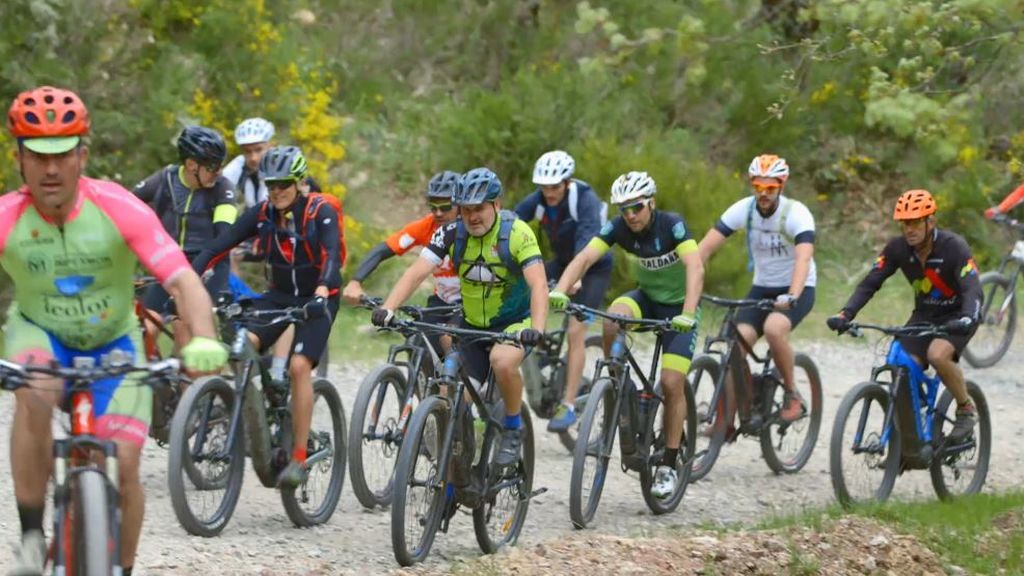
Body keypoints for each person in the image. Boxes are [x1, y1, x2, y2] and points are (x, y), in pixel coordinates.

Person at [2, 86, 226, 576]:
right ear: (18, 157)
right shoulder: (8, 217)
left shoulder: (118, 206)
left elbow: (182, 279)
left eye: (63, 154)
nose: (52, 169)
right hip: (40, 334)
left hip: (114, 343)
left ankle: (118, 568)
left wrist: (205, 335)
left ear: (83, 154)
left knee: (125, 464)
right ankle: (32, 538)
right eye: (38, 156)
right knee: (35, 388)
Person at [371, 167, 548, 467]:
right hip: (472, 326)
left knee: (502, 361)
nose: (472, 216)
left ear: (497, 205)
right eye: (466, 210)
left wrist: (537, 329)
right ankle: (456, 465)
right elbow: (416, 272)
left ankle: (513, 428)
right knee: (450, 392)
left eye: (479, 208)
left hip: (514, 324)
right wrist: (389, 308)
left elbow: (539, 285)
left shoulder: (518, 234)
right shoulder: (453, 232)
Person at [191, 145, 341, 488]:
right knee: (243, 345)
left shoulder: (320, 212)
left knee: (300, 366)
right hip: (279, 296)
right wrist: (188, 275)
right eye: (270, 185)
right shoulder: (262, 214)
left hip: (318, 297)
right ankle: (266, 404)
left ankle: (300, 458)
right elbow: (220, 246)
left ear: (299, 183)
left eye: (283, 185)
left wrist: (321, 292)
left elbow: (332, 256)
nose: (276, 192)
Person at [549, 171, 704, 499]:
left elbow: (695, 266)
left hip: (679, 309)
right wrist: (562, 289)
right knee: (611, 321)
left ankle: (668, 463)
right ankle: (619, 385)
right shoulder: (619, 227)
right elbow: (586, 256)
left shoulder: (672, 225)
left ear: (651, 203)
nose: (630, 215)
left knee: (673, 383)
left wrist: (688, 312)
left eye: (636, 207)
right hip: (646, 300)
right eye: (624, 209)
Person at [826, 189, 981, 440]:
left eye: (916, 222)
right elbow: (871, 282)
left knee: (937, 354)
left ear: (930, 222)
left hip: (958, 315)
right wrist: (846, 313)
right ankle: (910, 429)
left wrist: (967, 317)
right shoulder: (898, 248)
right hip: (924, 315)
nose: (909, 229)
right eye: (905, 223)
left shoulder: (954, 247)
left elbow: (972, 287)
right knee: (899, 361)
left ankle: (965, 408)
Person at [697, 154, 815, 425]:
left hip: (797, 287)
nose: (763, 194)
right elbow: (704, 249)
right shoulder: (744, 210)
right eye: (758, 187)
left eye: (770, 188)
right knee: (733, 344)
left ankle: (792, 394)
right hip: (761, 288)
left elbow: (803, 259)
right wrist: (687, 284)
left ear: (781, 186)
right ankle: (732, 415)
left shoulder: (796, 214)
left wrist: (793, 295)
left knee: (774, 329)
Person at [514, 150, 612, 433]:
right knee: (523, 294)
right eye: (544, 187)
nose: (549, 192)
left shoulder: (585, 200)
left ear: (567, 182)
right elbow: (511, 222)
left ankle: (568, 404)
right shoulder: (540, 200)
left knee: (575, 330)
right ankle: (541, 341)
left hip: (592, 267)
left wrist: (572, 281)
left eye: (555, 186)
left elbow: (586, 246)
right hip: (562, 260)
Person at [132, 125, 236, 351]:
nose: (219, 172)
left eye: (220, 166)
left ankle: (204, 382)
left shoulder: (222, 188)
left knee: (184, 332)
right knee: (144, 329)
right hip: (170, 263)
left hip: (210, 264)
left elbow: (224, 236)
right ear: (191, 165)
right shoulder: (165, 179)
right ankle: (159, 381)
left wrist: (203, 268)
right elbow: (126, 206)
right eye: (213, 167)